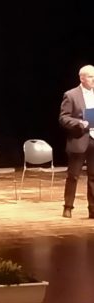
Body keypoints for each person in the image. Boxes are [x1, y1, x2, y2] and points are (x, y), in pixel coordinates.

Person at [59, 64, 94, 219]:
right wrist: (79, 123)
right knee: (73, 176)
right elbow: (63, 118)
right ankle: (68, 207)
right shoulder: (71, 95)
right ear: (82, 78)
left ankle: (93, 209)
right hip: (79, 139)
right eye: (91, 76)